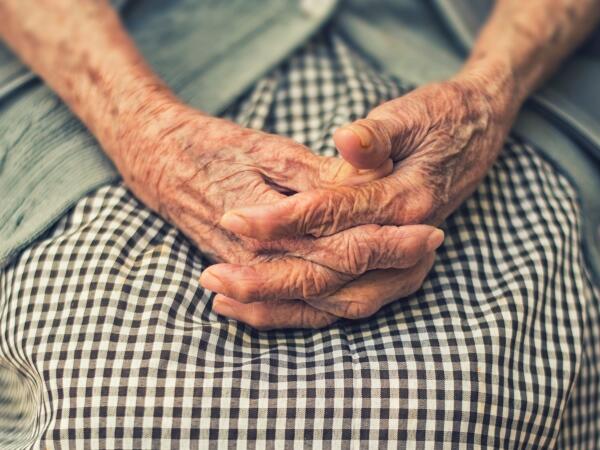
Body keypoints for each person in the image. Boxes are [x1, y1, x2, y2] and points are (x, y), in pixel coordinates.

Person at [0, 0, 598, 447]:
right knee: (114, 405)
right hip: (114, 71)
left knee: (462, 403)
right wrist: (142, 129)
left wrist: (489, 97)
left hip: (475, 58)